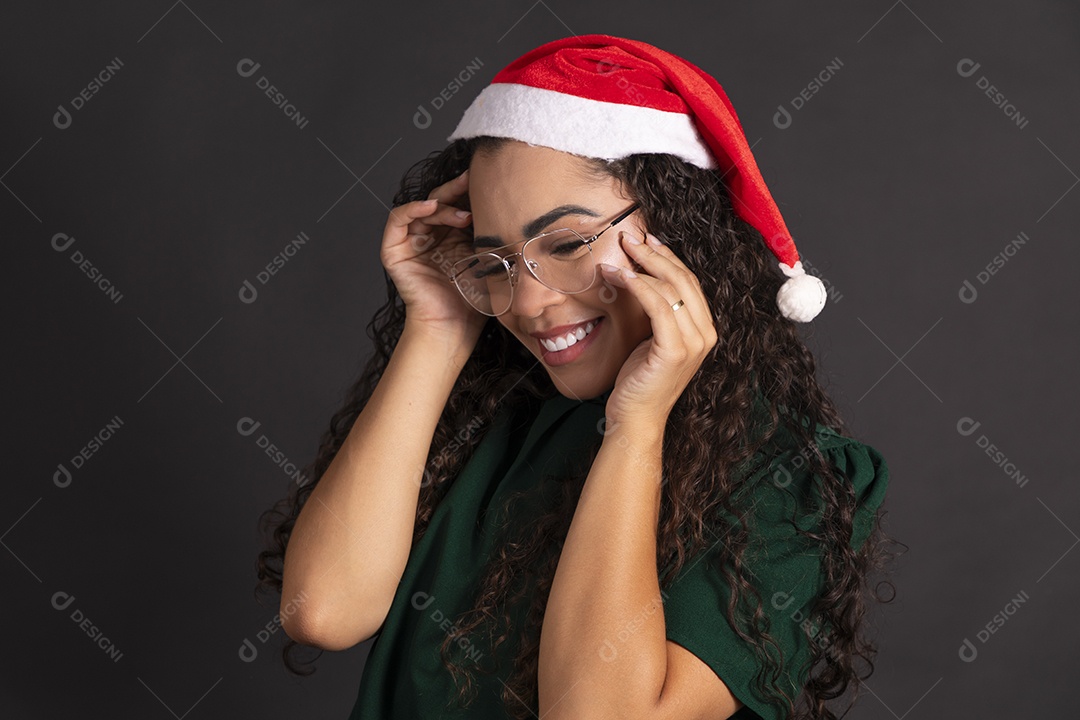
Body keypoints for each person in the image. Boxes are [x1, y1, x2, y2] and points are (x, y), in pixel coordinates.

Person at [257, 33, 896, 720]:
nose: (529, 302)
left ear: (681, 232)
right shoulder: (491, 412)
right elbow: (321, 611)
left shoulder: (790, 476)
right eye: (493, 259)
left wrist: (635, 429)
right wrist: (438, 327)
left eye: (566, 245)